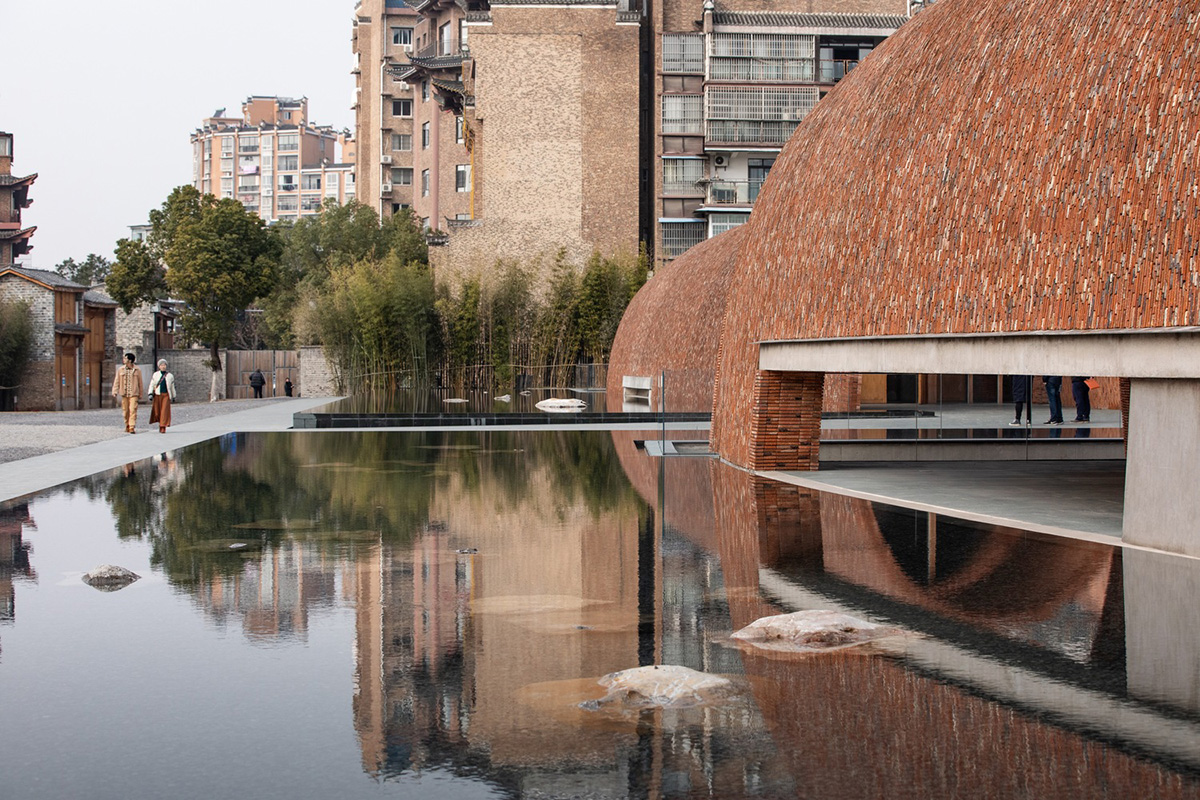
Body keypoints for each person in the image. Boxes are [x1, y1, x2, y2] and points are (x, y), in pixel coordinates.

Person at [110, 353, 144, 434]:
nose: (123, 360)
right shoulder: (120, 369)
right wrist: (114, 391)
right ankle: (127, 425)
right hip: (124, 394)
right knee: (125, 411)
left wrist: (141, 393)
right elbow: (117, 381)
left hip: (134, 394)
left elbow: (140, 383)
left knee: (133, 410)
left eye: (125, 358)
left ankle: (132, 426)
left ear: (130, 360)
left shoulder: (137, 370)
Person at [148, 359, 177, 434]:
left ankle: (162, 426)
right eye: (161, 365)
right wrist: (150, 393)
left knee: (164, 411)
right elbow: (152, 384)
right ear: (159, 366)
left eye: (164, 365)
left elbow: (172, 387)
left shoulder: (170, 376)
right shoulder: (156, 375)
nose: (163, 366)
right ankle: (160, 422)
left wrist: (173, 396)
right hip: (157, 395)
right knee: (157, 411)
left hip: (166, 395)